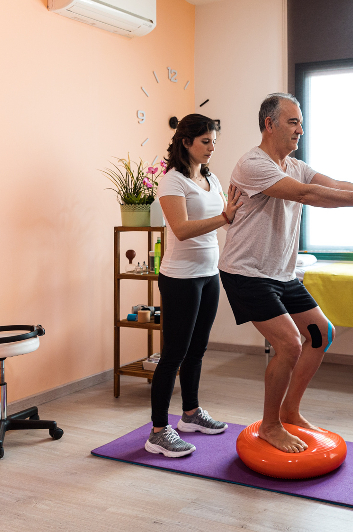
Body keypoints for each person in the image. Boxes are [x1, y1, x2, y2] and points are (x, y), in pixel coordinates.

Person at [218, 93, 353, 453]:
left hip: (281, 274)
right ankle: (270, 425)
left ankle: (290, 411)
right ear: (269, 124)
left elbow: (334, 185)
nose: (300, 130)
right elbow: (309, 195)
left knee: (321, 335)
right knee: (289, 344)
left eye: (301, 123)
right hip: (246, 273)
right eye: (293, 122)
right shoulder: (253, 164)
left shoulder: (296, 165)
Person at [145, 114, 242, 457]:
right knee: (173, 354)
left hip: (208, 274)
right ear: (186, 142)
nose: (212, 147)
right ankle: (158, 430)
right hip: (180, 278)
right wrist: (223, 218)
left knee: (198, 350)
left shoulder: (210, 178)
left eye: (214, 141)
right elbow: (183, 229)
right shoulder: (172, 181)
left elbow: (224, 219)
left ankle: (190, 413)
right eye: (205, 141)